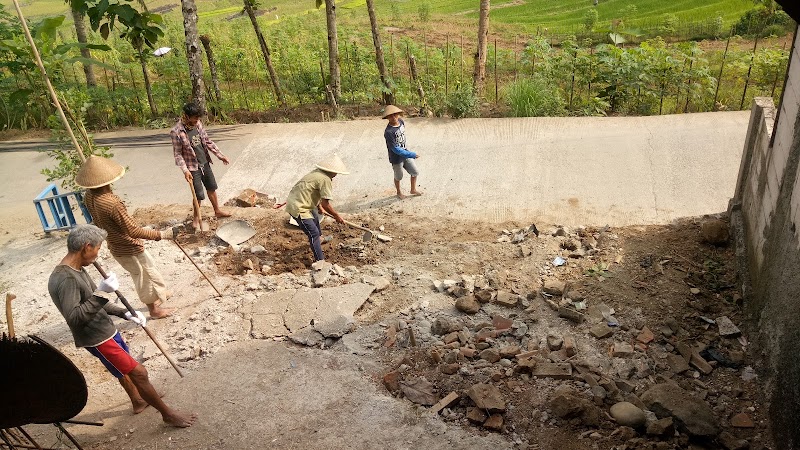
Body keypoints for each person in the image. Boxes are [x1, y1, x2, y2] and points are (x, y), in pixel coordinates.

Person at [48, 224, 197, 427]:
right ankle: (167, 414)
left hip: (105, 330)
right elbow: (74, 317)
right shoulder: (66, 279)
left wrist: (124, 313)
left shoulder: (78, 269)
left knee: (122, 368)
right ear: (87, 246)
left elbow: (98, 301)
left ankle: (137, 400)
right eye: (98, 249)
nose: (98, 254)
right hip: (97, 337)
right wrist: (101, 293)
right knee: (139, 372)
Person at [77, 156, 175, 319]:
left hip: (116, 245)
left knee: (149, 269)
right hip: (128, 247)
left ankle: (160, 294)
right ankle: (154, 310)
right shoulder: (111, 203)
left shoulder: (89, 196)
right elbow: (133, 231)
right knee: (143, 276)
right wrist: (161, 235)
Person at [171, 102, 231, 229]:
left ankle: (217, 211)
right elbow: (177, 154)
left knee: (212, 187)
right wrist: (185, 170)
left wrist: (220, 155)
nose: (197, 120)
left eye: (198, 118)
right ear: (187, 116)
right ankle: (196, 218)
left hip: (205, 162)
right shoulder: (176, 131)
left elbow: (207, 141)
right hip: (192, 167)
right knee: (198, 194)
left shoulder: (198, 125)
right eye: (195, 118)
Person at [285, 154, 349, 262]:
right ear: (331, 171)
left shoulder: (316, 173)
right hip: (299, 208)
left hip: (299, 201)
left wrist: (319, 206)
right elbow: (326, 203)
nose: (336, 174)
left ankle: (320, 239)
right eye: (336, 172)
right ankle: (320, 261)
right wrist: (336, 215)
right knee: (313, 233)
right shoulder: (325, 179)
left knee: (315, 217)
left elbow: (313, 191)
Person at [383, 105, 422, 199]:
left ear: (398, 114)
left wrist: (407, 153)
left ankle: (413, 189)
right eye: (390, 116)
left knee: (415, 172)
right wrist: (411, 154)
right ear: (387, 117)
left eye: (395, 114)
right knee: (398, 176)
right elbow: (395, 149)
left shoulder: (401, 122)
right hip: (396, 158)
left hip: (405, 153)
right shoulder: (389, 132)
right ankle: (399, 192)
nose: (393, 117)